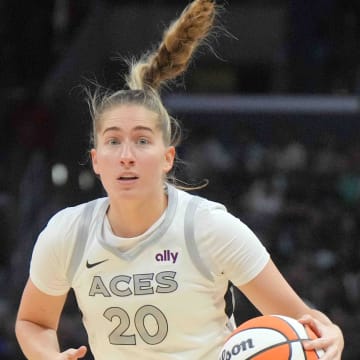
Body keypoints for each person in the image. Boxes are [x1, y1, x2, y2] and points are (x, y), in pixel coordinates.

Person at [15, 1, 344, 359]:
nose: (127, 154)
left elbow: (303, 319)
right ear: (96, 161)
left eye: (142, 140)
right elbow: (33, 322)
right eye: (112, 141)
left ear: (167, 158)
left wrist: (332, 334)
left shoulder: (207, 227)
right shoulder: (68, 233)